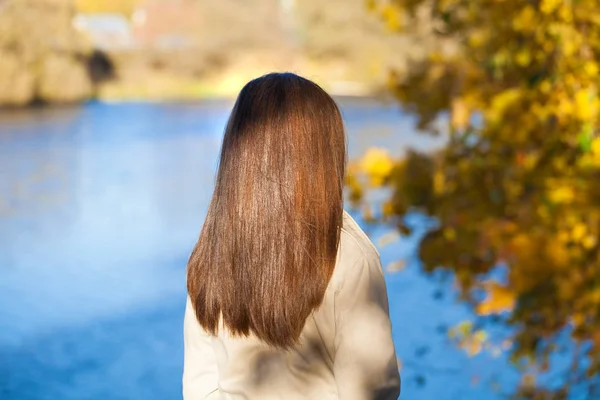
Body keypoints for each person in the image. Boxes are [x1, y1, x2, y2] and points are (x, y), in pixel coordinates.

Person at [183, 72, 400, 400]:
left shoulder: (213, 250)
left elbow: (200, 387)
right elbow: (374, 388)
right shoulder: (345, 253)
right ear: (321, 156)